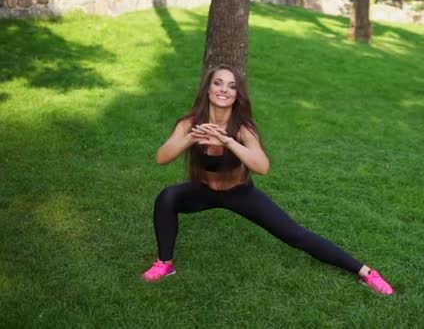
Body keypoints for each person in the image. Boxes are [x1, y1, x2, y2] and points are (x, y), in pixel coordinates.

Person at [141, 64, 394, 295]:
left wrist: (228, 142)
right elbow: (162, 157)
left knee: (296, 235)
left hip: (240, 193)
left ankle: (366, 272)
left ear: (237, 95)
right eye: (218, 83)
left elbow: (262, 166)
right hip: (203, 190)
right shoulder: (189, 124)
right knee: (168, 197)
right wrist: (192, 138)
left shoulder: (242, 128)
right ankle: (165, 264)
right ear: (208, 89)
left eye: (231, 86)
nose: (224, 90)